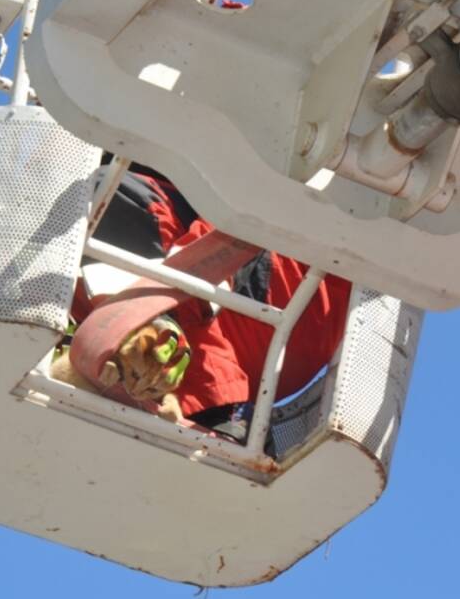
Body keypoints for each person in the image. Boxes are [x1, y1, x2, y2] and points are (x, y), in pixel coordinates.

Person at [81, 161, 352, 446]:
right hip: (275, 336)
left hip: (286, 295)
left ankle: (165, 364)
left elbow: (245, 206)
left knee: (112, 193)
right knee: (100, 190)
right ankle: (146, 360)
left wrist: (157, 310)